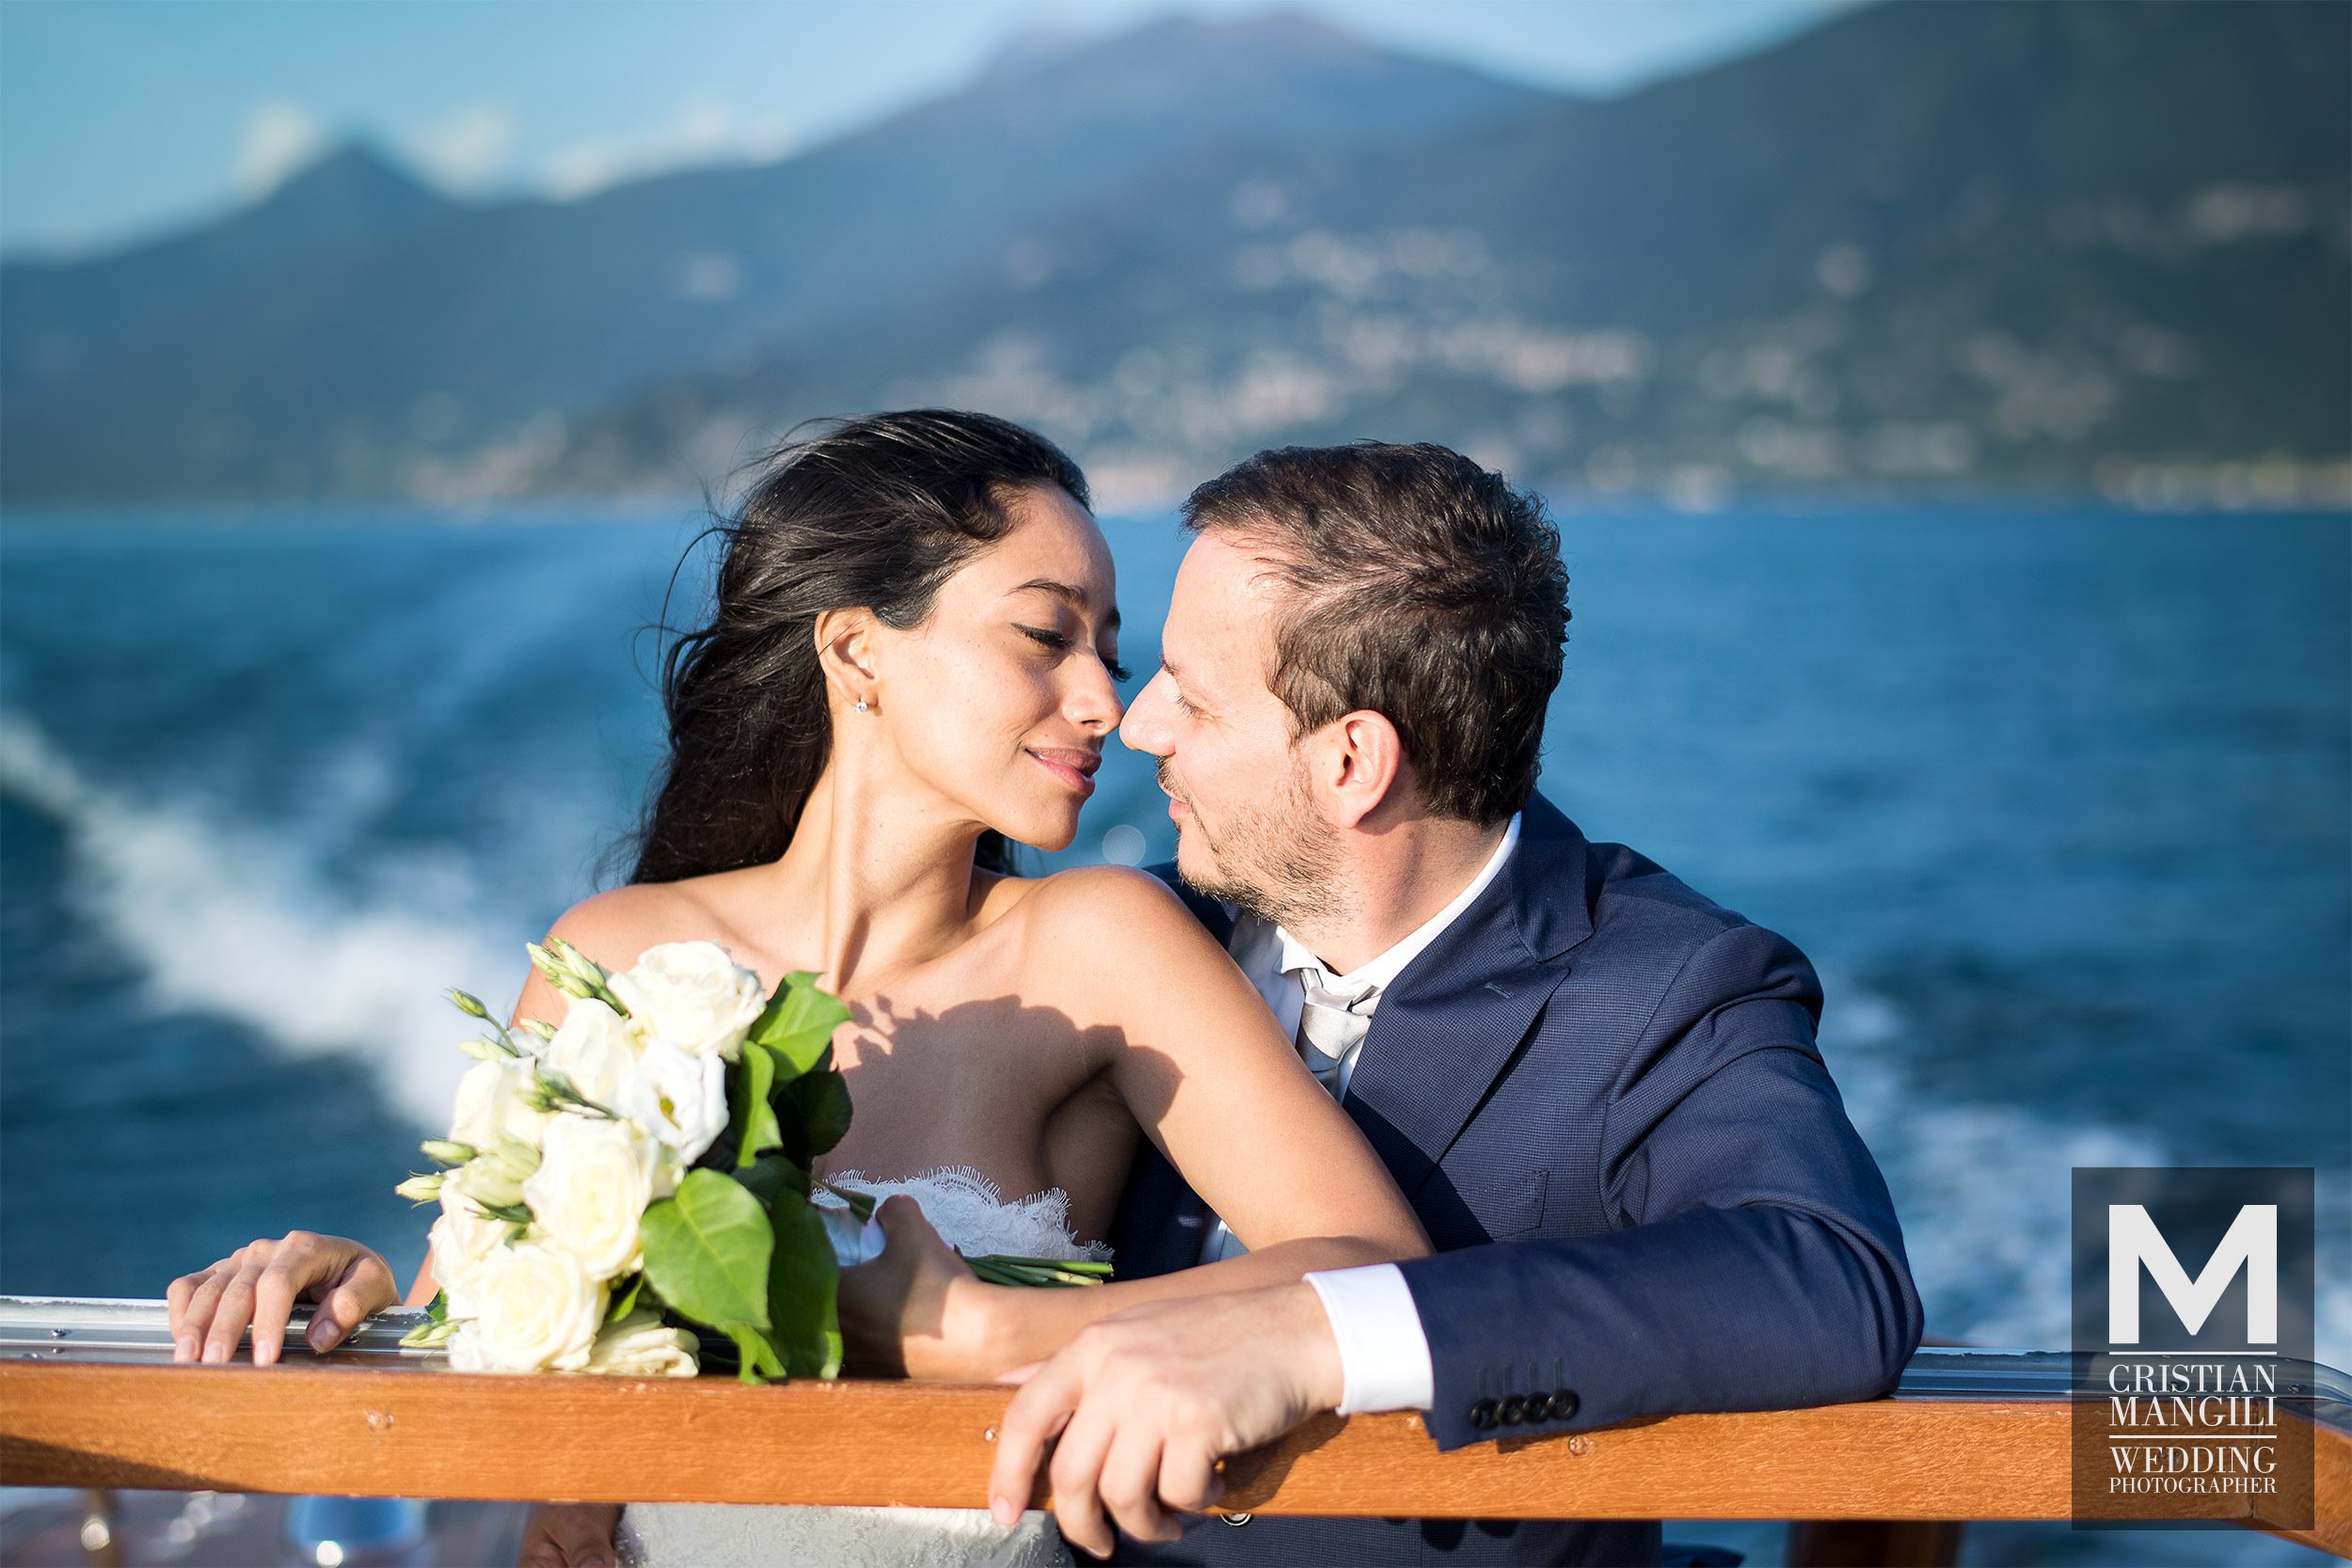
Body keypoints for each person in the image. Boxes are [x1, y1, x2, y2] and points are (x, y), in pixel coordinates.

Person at [163, 411, 1430, 1568]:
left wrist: (994, 1332)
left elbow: (1374, 1260)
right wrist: (357, 1296)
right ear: (855, 650)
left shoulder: (1098, 943)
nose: (1106, 700)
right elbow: (479, 1341)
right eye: (1048, 635)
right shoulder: (617, 953)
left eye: (1107, 648)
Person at [985, 442, 1924, 1565]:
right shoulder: (1131, 936)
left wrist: (1320, 1330)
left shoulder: (1667, 986)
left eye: (1191, 694)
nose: (1140, 727)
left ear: (1351, 764)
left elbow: (1828, 1279)